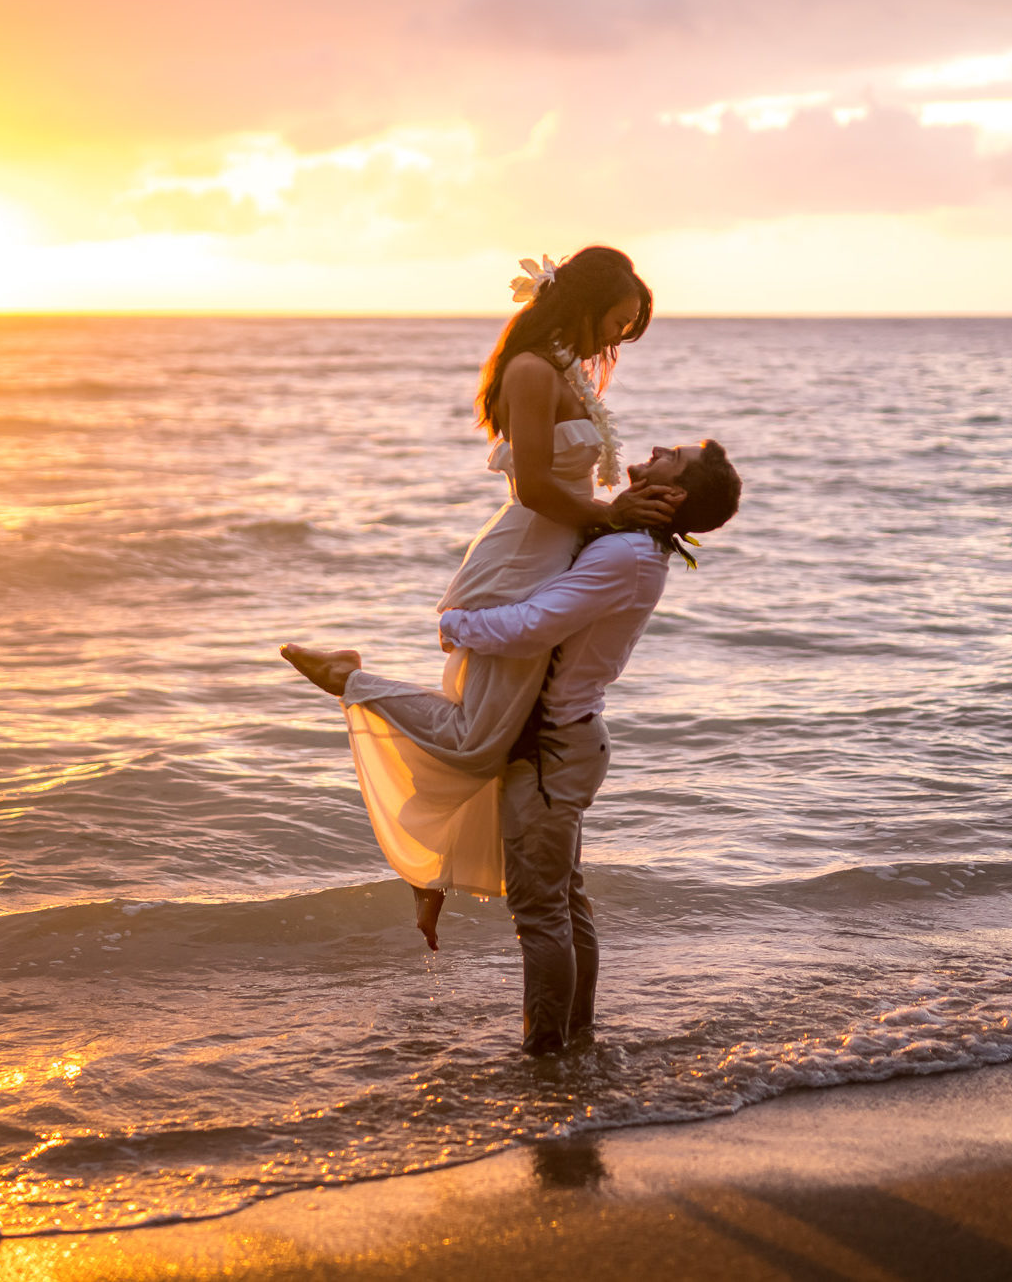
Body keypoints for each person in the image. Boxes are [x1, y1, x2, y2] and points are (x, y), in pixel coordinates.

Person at [283, 439, 743, 1053]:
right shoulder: (630, 542)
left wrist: (453, 625)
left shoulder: (630, 555)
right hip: (561, 746)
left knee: (542, 915)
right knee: (562, 905)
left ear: (675, 494)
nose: (657, 448)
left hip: (551, 754)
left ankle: (547, 1057)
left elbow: (532, 625)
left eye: (673, 455)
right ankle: (574, 1043)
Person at [286, 247, 674, 949]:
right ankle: (348, 676)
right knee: (477, 739)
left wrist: (616, 515)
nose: (616, 340)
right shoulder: (531, 371)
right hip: (517, 561)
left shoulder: (560, 369)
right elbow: (532, 489)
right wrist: (612, 516)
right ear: (581, 304)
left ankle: (431, 873)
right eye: (616, 323)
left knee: (496, 742)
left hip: (547, 557)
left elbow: (569, 493)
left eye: (627, 330)